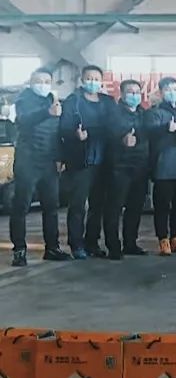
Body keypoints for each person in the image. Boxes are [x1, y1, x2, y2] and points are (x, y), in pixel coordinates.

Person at [9, 68, 71, 267]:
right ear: (31, 82)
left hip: (49, 161)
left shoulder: (53, 101)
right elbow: (23, 120)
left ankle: (52, 248)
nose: (43, 85)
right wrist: (46, 113)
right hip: (28, 160)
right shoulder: (23, 100)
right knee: (21, 206)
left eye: (46, 81)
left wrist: (60, 157)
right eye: (39, 81)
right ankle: (19, 250)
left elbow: (57, 132)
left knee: (51, 206)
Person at [60, 65, 116, 259]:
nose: (93, 82)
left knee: (97, 205)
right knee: (77, 204)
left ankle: (92, 242)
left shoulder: (108, 102)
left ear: (101, 81)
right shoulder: (74, 101)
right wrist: (75, 134)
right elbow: (64, 127)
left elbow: (115, 126)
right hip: (81, 160)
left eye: (96, 79)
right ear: (82, 80)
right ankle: (76, 244)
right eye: (89, 78)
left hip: (104, 160)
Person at [145, 76, 176, 256]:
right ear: (160, 92)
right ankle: (163, 239)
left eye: (174, 89)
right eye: (167, 89)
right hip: (164, 165)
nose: (172, 92)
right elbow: (148, 132)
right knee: (162, 204)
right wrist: (164, 128)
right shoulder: (155, 112)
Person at [102, 79, 150, 260]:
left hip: (140, 166)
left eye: (137, 92)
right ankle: (113, 246)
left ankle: (130, 243)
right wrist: (121, 139)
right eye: (130, 92)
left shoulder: (143, 114)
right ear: (121, 94)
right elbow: (108, 134)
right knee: (114, 208)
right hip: (119, 167)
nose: (134, 95)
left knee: (135, 207)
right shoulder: (113, 114)